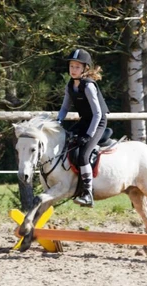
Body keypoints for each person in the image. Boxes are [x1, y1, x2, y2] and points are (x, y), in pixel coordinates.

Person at [57, 49, 109, 207]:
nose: (73, 70)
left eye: (77, 67)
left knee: (83, 155)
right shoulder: (70, 85)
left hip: (97, 122)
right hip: (85, 120)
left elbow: (98, 114)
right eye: (71, 66)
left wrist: (89, 134)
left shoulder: (88, 86)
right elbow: (64, 108)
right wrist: (58, 122)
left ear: (85, 69)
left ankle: (87, 193)